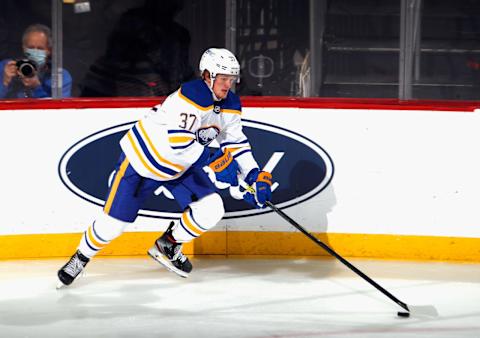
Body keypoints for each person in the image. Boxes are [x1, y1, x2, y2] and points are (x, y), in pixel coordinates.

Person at [57, 48, 273, 286]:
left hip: (181, 166)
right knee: (113, 226)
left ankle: (168, 244)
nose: (227, 85)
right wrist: (215, 159)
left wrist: (254, 174)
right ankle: (80, 257)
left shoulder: (230, 104)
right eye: (223, 78)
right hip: (143, 161)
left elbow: (236, 142)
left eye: (231, 79)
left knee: (211, 209)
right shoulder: (190, 96)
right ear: (207, 76)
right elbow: (179, 142)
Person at [0, 24, 72, 99]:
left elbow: (60, 108)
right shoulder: (5, 67)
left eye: (40, 48)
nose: (35, 51)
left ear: (49, 50)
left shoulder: (60, 76)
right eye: (31, 47)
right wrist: (5, 83)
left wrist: (37, 87)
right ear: (24, 48)